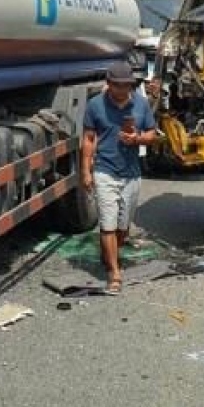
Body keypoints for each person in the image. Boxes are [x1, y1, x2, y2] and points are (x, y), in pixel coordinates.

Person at [81, 60, 158, 293]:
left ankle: (109, 253)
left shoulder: (141, 104)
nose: (122, 89)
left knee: (122, 228)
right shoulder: (95, 105)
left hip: (131, 173)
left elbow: (152, 134)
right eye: (118, 85)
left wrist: (137, 139)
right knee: (108, 225)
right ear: (109, 84)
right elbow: (88, 139)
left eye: (127, 85)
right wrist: (85, 171)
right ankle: (114, 272)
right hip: (104, 170)